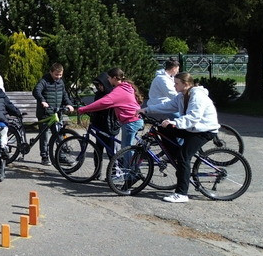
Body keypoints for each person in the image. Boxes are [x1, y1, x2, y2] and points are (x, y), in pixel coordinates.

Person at [142, 72, 219, 203]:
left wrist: (175, 122)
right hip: (192, 129)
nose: (174, 85)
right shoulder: (181, 96)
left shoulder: (197, 96)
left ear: (186, 84)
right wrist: (146, 110)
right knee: (163, 128)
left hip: (204, 130)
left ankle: (182, 194)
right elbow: (167, 106)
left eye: (177, 83)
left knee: (184, 157)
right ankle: (176, 157)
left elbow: (194, 116)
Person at [76, 67, 144, 166]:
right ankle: (130, 172)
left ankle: (131, 175)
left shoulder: (119, 91)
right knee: (125, 149)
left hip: (130, 122)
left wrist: (83, 109)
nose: (107, 80)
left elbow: (103, 102)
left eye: (109, 77)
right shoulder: (126, 86)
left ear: (115, 78)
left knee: (126, 150)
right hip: (134, 120)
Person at [32, 63, 75, 165]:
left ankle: (61, 156)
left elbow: (64, 95)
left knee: (59, 135)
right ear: (51, 72)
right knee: (45, 136)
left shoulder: (61, 82)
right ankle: (44, 156)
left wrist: (69, 104)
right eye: (56, 74)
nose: (58, 77)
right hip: (45, 114)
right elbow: (36, 91)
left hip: (57, 113)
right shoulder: (44, 81)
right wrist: (42, 101)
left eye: (60, 75)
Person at [88, 72, 122, 167]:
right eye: (98, 85)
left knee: (111, 152)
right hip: (100, 127)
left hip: (110, 128)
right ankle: (97, 171)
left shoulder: (112, 94)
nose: (99, 87)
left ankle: (115, 172)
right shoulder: (98, 94)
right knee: (97, 150)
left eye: (101, 85)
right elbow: (95, 108)